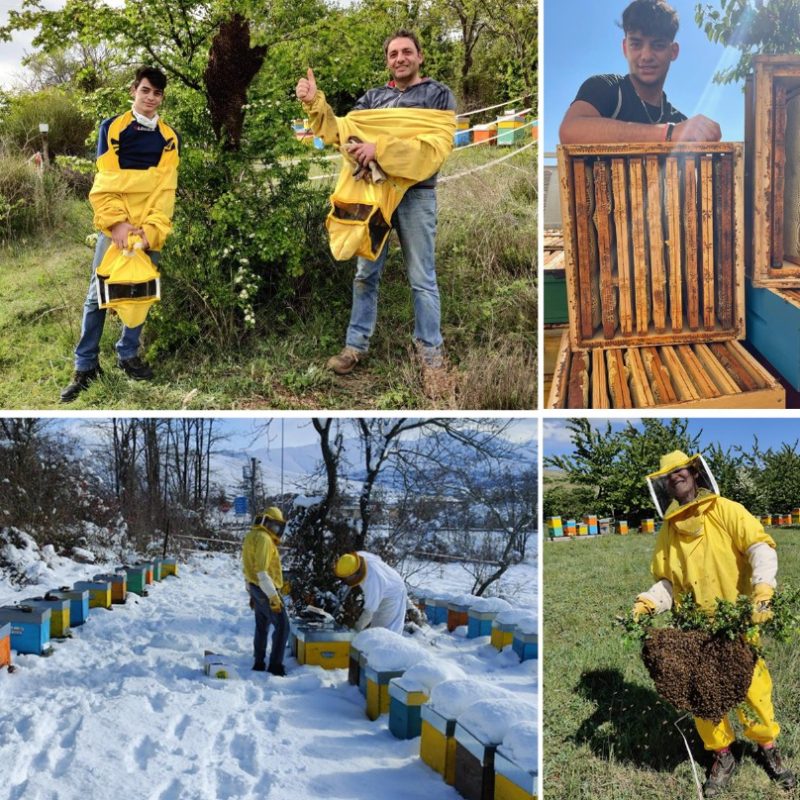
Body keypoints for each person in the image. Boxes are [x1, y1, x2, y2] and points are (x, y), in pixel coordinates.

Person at [295, 30, 457, 397]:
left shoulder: (439, 94)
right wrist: (314, 103)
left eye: (407, 52)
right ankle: (355, 346)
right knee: (365, 273)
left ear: (420, 57)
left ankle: (432, 358)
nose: (400, 58)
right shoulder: (373, 98)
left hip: (417, 195)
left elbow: (435, 146)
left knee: (423, 278)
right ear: (388, 60)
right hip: (373, 193)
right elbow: (340, 133)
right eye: (394, 54)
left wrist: (378, 147)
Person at [633, 451, 795, 797]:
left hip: (737, 620)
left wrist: (763, 588)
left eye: (681, 472)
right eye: (668, 476)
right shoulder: (669, 532)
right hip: (694, 630)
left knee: (755, 692)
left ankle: (767, 747)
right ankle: (723, 755)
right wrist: (649, 601)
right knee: (703, 695)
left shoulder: (727, 511)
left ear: (694, 473)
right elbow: (667, 583)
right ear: (663, 486)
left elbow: (760, 548)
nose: (675, 478)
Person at [60, 66, 180, 403]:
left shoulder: (169, 138)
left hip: (148, 228)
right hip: (116, 227)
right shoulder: (111, 128)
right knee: (98, 293)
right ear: (134, 91)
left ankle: (128, 355)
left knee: (142, 289)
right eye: (145, 91)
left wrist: (150, 231)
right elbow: (106, 182)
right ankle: (85, 367)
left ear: (162, 97)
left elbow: (165, 190)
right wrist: (117, 226)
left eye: (157, 93)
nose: (150, 99)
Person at [559, 0, 721, 144]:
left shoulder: (680, 122)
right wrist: (668, 133)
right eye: (636, 44)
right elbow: (570, 131)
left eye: (658, 45)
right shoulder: (606, 88)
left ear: (673, 51)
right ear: (625, 48)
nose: (646, 56)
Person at [242, 507, 289, 676]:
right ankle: (276, 666)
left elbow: (247, 568)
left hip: (256, 588)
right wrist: (273, 597)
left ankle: (259, 662)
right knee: (283, 627)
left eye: (278, 526)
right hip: (266, 589)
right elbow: (262, 572)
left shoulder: (251, 535)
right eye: (275, 525)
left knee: (262, 625)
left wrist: (250, 591)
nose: (276, 530)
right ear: (267, 522)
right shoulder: (264, 539)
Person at [334, 551, 408, 634]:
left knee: (385, 631)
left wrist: (355, 630)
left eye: (347, 578)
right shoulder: (354, 559)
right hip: (385, 582)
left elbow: (369, 612)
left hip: (394, 592)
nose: (346, 580)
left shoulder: (372, 581)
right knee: (375, 629)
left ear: (355, 573)